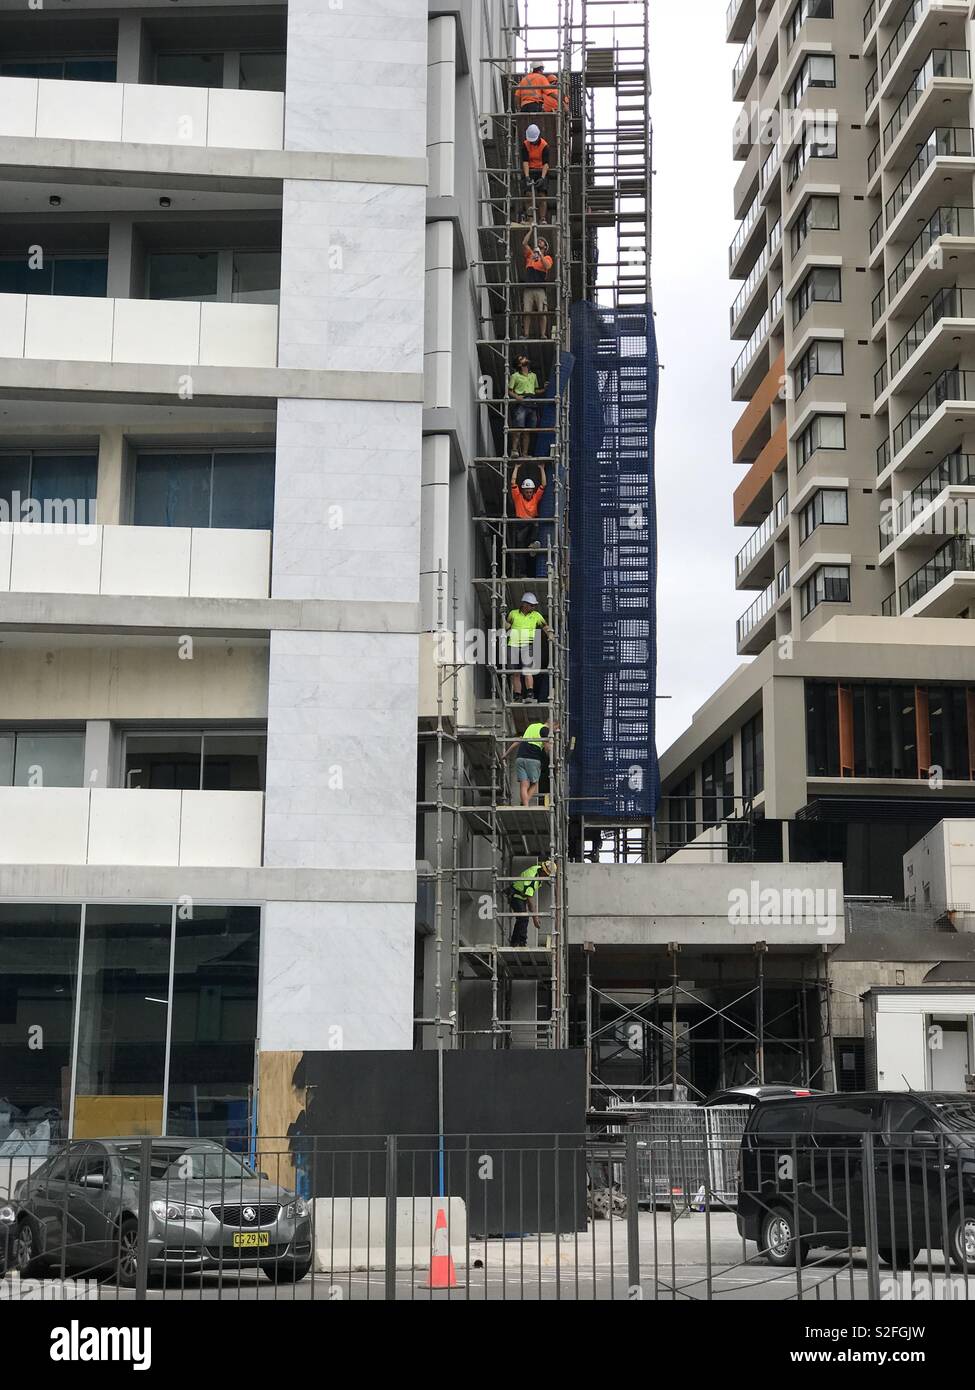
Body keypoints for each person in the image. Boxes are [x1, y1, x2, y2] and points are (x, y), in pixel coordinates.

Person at [505, 591, 553, 702]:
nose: (533, 607)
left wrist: (551, 635)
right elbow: (507, 626)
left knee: (528, 670)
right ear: (524, 604)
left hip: (528, 645)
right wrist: (502, 617)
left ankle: (530, 694)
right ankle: (517, 695)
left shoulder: (536, 615)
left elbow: (545, 627)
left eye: (534, 605)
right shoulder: (513, 613)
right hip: (513, 645)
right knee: (515, 672)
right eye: (531, 605)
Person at [504, 720, 557, 807]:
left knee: (524, 784)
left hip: (520, 758)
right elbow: (548, 748)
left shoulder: (532, 726)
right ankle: (525, 804)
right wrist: (553, 759)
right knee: (534, 783)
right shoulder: (545, 730)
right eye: (555, 728)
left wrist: (506, 754)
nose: (554, 731)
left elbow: (518, 741)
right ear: (553, 724)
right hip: (533, 758)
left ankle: (524, 804)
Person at [508, 859, 557, 947]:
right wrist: (535, 918)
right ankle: (520, 943)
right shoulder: (532, 879)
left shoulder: (537, 870)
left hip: (521, 895)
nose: (547, 877)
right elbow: (530, 900)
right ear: (543, 871)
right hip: (516, 895)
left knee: (522, 919)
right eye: (547, 875)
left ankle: (516, 942)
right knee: (523, 918)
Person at [509, 461, 546, 576]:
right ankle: (521, 573)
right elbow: (513, 482)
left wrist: (541, 468)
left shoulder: (535, 498)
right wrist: (516, 468)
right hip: (520, 524)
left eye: (531, 491)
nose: (529, 494)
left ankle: (532, 544)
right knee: (520, 551)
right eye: (527, 491)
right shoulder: (518, 497)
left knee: (535, 523)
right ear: (523, 491)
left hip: (531, 524)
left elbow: (543, 485)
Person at [522, 228, 553, 340]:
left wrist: (540, 255)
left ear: (545, 247)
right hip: (529, 287)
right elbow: (524, 243)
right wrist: (530, 230)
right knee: (527, 312)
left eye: (542, 241)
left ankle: (543, 334)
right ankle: (526, 334)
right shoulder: (530, 255)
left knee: (542, 312)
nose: (539, 241)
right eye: (538, 240)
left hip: (540, 288)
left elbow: (547, 266)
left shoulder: (547, 257)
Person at [508, 355, 540, 458]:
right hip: (522, 403)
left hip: (532, 403)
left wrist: (545, 389)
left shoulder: (533, 376)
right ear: (519, 364)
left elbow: (535, 390)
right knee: (518, 428)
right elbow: (509, 390)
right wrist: (517, 397)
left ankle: (525, 454)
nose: (525, 359)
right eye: (522, 359)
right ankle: (514, 450)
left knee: (528, 430)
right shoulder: (515, 376)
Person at [521, 124, 550, 225]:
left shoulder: (544, 145)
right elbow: (525, 161)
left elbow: (546, 164)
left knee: (542, 195)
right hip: (530, 170)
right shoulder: (525, 144)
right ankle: (530, 219)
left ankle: (542, 218)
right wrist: (527, 176)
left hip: (541, 171)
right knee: (528, 195)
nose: (532, 142)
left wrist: (542, 178)